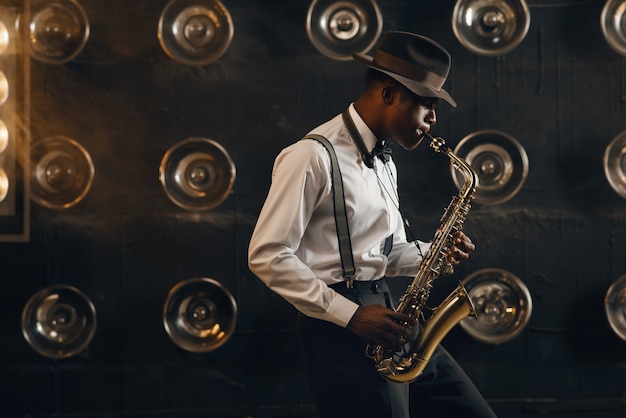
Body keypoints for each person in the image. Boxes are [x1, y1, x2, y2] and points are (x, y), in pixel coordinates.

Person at [248, 31, 497, 418]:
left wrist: (435, 253)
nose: (433, 118)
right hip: (340, 328)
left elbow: (385, 252)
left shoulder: (385, 161)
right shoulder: (310, 156)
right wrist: (351, 315)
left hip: (391, 313)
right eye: (426, 105)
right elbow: (267, 256)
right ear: (389, 94)